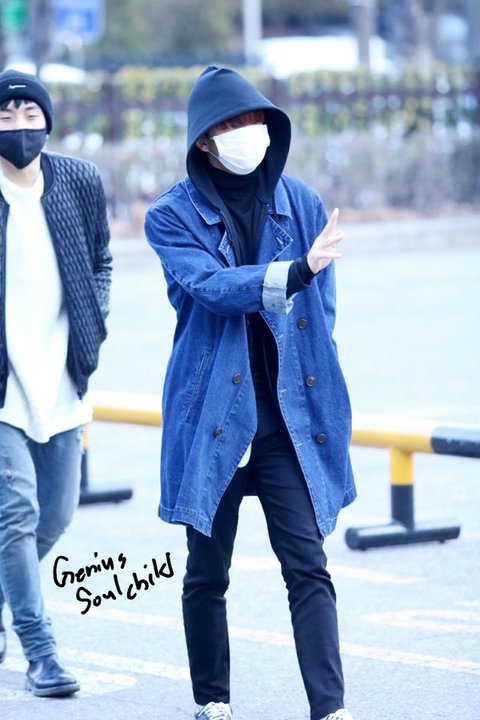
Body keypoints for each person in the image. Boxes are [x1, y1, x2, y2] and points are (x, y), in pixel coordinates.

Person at [144, 66, 356, 720]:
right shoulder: (170, 217)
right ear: (204, 141)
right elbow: (211, 288)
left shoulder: (302, 202)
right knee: (208, 572)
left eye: (254, 119)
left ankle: (331, 708)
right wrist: (295, 272)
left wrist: (315, 367)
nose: (247, 132)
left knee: (308, 565)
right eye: (231, 124)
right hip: (214, 413)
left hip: (288, 418)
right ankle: (213, 700)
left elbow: (321, 312)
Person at [0, 69, 112, 696]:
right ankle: (40, 653)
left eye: (29, 115)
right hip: (2, 387)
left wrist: (93, 326)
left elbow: (101, 260)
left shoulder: (78, 180)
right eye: (5, 116)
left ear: (46, 120)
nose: (19, 127)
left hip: (62, 376)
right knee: (16, 513)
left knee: (56, 515)